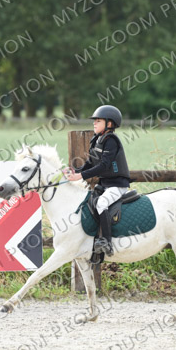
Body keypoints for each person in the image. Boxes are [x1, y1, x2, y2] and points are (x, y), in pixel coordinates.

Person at [65, 105, 131, 256]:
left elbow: (104, 166)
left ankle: (106, 241)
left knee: (101, 203)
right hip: (106, 185)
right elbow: (90, 163)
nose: (94, 123)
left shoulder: (111, 141)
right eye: (94, 121)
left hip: (117, 185)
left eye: (98, 121)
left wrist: (81, 176)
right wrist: (75, 171)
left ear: (109, 123)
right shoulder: (97, 140)